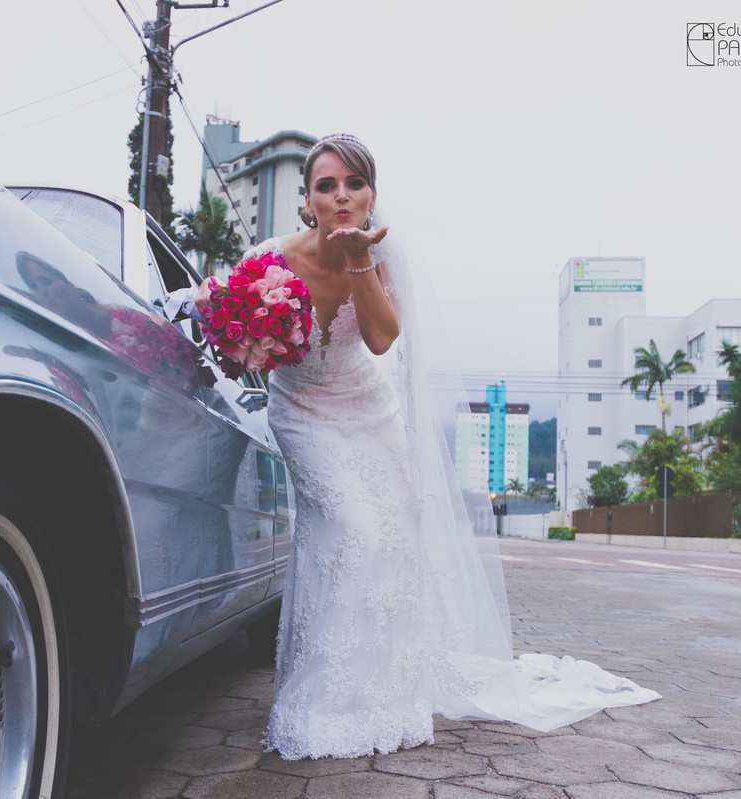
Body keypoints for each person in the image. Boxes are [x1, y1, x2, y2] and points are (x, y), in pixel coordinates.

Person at [190, 133, 659, 760]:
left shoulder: (383, 256)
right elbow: (232, 338)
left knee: (388, 541)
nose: (342, 196)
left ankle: (383, 693)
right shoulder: (269, 260)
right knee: (345, 532)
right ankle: (321, 699)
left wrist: (359, 263)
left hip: (366, 410)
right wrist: (246, 339)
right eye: (326, 186)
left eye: (354, 183)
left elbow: (382, 341)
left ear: (371, 194)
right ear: (307, 201)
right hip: (302, 413)